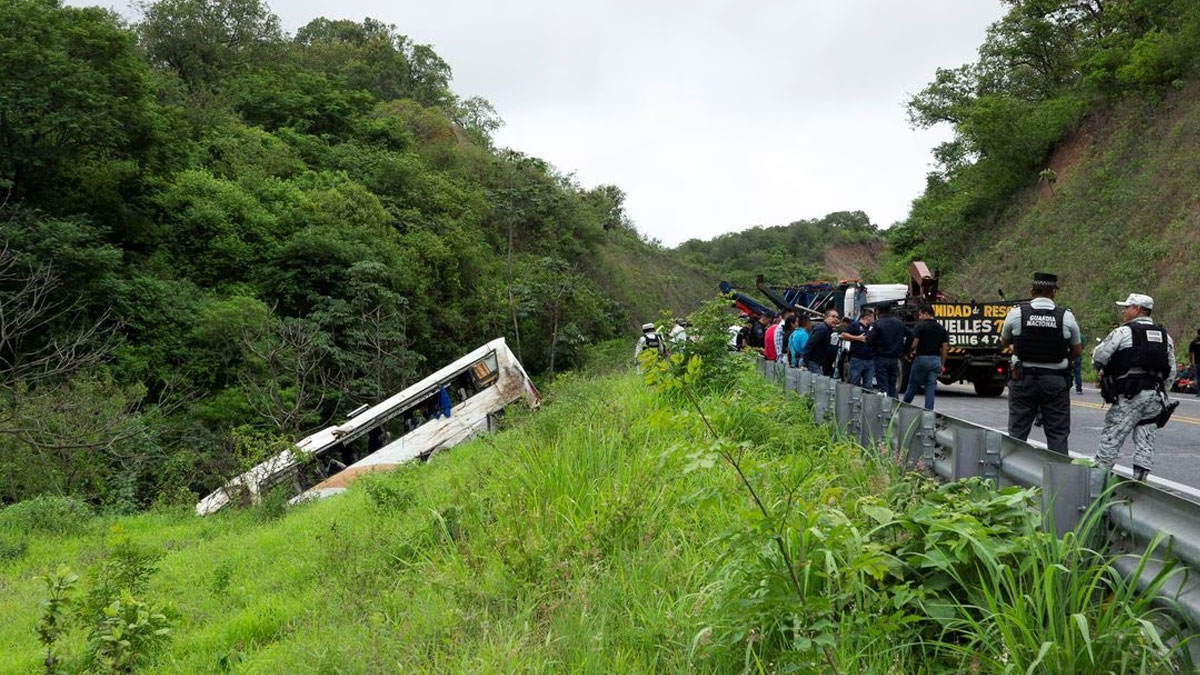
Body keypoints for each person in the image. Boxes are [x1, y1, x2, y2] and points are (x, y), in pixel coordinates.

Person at [1092, 293, 1176, 480]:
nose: (1124, 311)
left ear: (1138, 309)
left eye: (1127, 307)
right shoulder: (1165, 337)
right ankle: (1140, 485)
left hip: (1130, 396)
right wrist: (1161, 392)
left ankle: (1096, 490)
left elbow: (1099, 358)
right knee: (1145, 442)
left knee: (1110, 440)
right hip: (1155, 395)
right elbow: (1172, 372)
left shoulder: (1123, 332)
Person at [999, 272, 1082, 455]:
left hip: (1023, 379)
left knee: (1017, 432)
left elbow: (1004, 341)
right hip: (1055, 381)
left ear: (1032, 291)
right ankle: (1059, 476)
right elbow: (1076, 351)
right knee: (1058, 433)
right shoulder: (1066, 317)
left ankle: (1013, 474)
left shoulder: (1017, 313)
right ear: (1053, 293)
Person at [903, 304, 949, 410]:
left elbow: (914, 344)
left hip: (922, 359)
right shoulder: (941, 329)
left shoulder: (920, 327)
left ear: (926, 313)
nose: (919, 317)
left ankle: (903, 407)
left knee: (913, 385)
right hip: (935, 360)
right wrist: (942, 364)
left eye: (920, 315)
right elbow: (945, 348)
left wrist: (908, 352)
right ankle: (928, 411)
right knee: (930, 387)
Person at [868, 303, 906, 398]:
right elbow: (910, 335)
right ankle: (894, 408)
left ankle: (885, 409)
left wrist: (874, 347)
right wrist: (905, 350)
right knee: (892, 385)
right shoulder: (899, 323)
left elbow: (869, 339)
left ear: (877, 311)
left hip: (880, 357)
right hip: (894, 358)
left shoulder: (877, 324)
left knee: (883, 387)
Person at [842, 309, 876, 388]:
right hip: (857, 359)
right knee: (854, 383)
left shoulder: (870, 328)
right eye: (872, 317)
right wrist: (857, 338)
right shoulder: (854, 325)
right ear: (867, 317)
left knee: (868, 385)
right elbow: (844, 335)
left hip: (870, 359)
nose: (873, 320)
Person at [803, 309, 840, 375]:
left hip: (821, 364)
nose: (836, 319)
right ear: (826, 317)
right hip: (813, 362)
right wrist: (805, 363)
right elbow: (810, 345)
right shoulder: (822, 329)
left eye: (837, 317)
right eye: (833, 316)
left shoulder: (830, 331)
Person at [1073, 325, 1085, 394]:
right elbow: (1083, 347)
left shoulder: (1071, 334)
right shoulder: (1082, 336)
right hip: (1078, 356)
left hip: (1071, 355)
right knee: (1077, 373)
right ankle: (1079, 389)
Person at [1190, 328, 1200, 397]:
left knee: (1198, 377)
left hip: (1197, 362)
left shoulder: (1194, 342)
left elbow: (1190, 353)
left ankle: (1199, 392)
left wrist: (1191, 362)